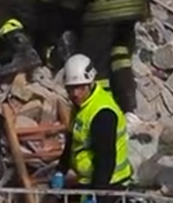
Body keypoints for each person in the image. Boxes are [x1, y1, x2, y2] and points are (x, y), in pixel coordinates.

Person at [52, 54, 133, 203]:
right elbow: (72, 141)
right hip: (87, 180)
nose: (75, 94)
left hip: (110, 183)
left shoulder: (103, 113)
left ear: (90, 83)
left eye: (80, 88)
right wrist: (60, 170)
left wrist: (96, 194)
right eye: (70, 89)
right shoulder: (81, 106)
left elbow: (106, 158)